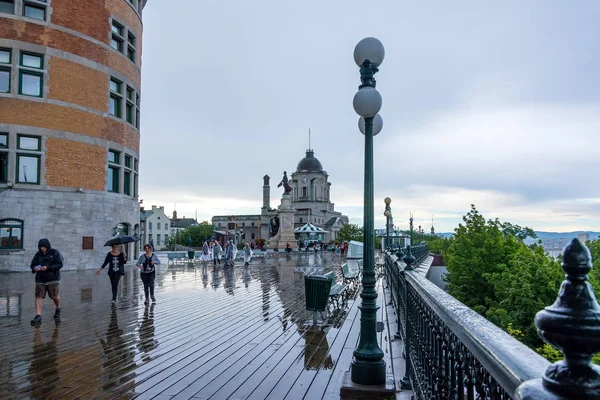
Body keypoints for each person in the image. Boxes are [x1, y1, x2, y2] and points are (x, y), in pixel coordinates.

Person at [30, 238, 63, 326]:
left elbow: (59, 264)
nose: (42, 248)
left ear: (47, 246)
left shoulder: (54, 253)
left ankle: (58, 307)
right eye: (40, 247)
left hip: (52, 279)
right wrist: (34, 268)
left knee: (54, 296)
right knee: (38, 296)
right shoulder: (37, 255)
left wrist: (47, 268)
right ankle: (38, 315)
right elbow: (32, 265)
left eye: (44, 247)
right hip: (40, 279)